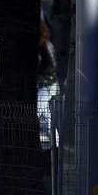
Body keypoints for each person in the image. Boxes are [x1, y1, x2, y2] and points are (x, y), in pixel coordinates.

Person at [36, 20, 60, 149]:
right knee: (45, 117)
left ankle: (56, 144)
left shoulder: (45, 46)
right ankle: (56, 144)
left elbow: (51, 66)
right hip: (44, 84)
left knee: (38, 111)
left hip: (46, 85)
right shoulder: (43, 45)